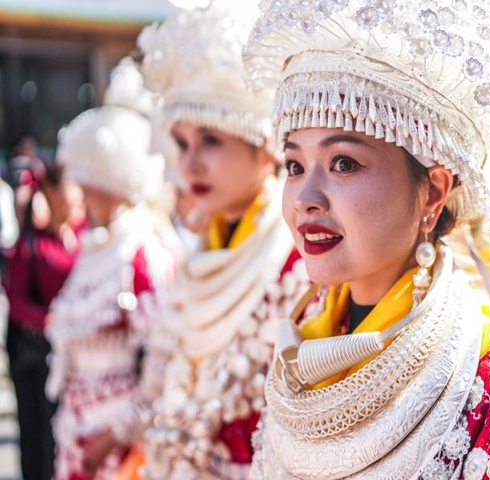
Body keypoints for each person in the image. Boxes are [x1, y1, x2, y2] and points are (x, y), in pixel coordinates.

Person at [243, 0, 490, 478]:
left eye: (344, 164)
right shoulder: (300, 352)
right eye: (295, 166)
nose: (305, 199)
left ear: (433, 192)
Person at [137, 1, 307, 477]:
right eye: (183, 142)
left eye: (211, 140)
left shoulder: (301, 264)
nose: (190, 164)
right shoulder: (199, 255)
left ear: (263, 147)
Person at [44, 58, 173, 480]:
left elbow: (164, 356)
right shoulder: (95, 245)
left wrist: (118, 434)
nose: (83, 194)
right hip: (75, 428)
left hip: (118, 442)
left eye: (89, 185)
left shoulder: (139, 249)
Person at [4, 163, 85, 480]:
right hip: (39, 355)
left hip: (77, 354)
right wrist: (51, 319)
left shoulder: (87, 238)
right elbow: (17, 299)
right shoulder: (32, 243)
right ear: (51, 192)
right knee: (38, 432)